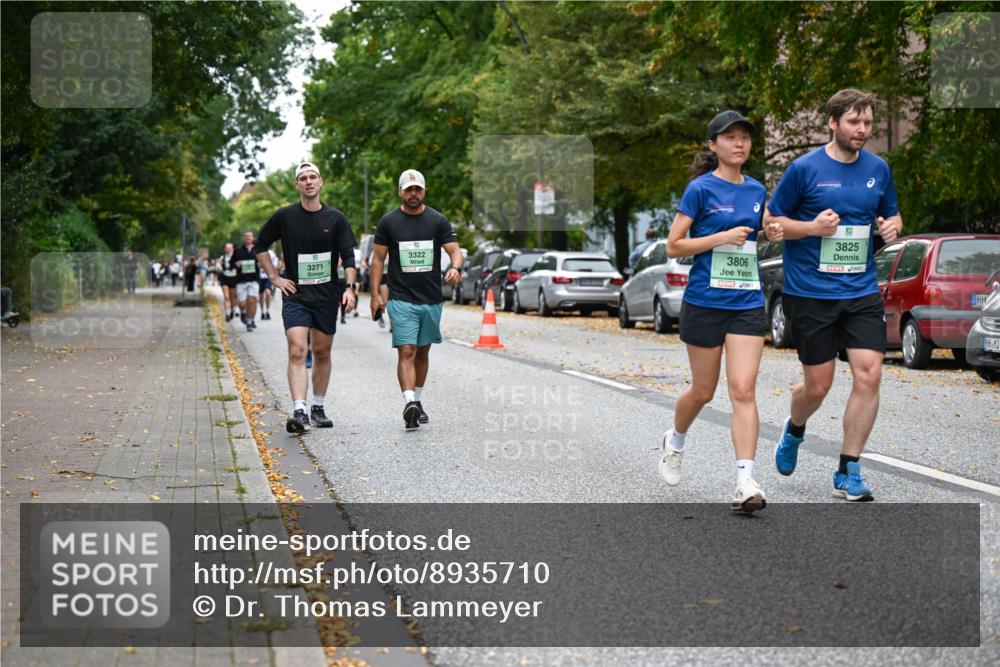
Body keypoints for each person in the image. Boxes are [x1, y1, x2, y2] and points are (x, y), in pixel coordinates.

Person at [763, 88, 902, 502]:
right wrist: (811, 228)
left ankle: (848, 469)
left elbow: (892, 214)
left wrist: (892, 227)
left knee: (869, 373)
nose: (862, 129)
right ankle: (794, 429)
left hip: (860, 290)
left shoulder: (878, 168)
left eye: (867, 122)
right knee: (818, 386)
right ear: (833, 122)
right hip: (810, 292)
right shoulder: (804, 170)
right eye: (854, 122)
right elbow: (771, 224)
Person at [660, 110, 778, 512]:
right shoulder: (700, 189)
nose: (739, 143)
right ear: (713, 145)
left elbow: (755, 235)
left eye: (744, 137)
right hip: (705, 302)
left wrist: (770, 232)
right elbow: (674, 245)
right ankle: (675, 439)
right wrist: (719, 237)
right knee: (703, 391)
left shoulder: (757, 189)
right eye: (730, 137)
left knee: (743, 389)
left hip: (746, 301)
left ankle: (745, 481)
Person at [255, 162, 357, 433]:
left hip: (326, 294)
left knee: (322, 352)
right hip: (296, 294)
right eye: (303, 178)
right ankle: (299, 411)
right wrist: (275, 278)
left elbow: (348, 256)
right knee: (297, 350)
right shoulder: (285, 216)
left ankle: (318, 407)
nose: (308, 182)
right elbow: (260, 245)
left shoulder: (336, 218)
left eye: (313, 177)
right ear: (297, 185)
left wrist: (349, 288)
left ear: (321, 182)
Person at [369, 169, 463, 430]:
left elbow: (455, 251)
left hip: (431, 298)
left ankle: (417, 401)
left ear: (424, 191)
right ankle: (409, 401)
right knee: (407, 349)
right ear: (400, 191)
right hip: (400, 298)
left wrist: (455, 267)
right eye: (408, 189)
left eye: (417, 189)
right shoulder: (388, 222)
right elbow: (378, 260)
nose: (413, 193)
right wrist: (375, 294)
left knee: (422, 351)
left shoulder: (438, 221)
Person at [233, 231, 261, 331]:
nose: (248, 237)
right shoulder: (238, 250)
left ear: (253, 238)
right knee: (242, 304)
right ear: (244, 238)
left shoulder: (257, 249)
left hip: (254, 279)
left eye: (250, 236)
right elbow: (232, 263)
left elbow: (263, 262)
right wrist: (236, 264)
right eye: (246, 236)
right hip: (241, 280)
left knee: (252, 300)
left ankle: (249, 321)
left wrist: (261, 264)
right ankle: (243, 312)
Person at [258, 248, 280, 320]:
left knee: (268, 293)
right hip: (259, 277)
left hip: (268, 277)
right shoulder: (257, 252)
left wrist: (266, 266)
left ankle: (267, 311)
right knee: (260, 295)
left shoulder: (272, 254)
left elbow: (276, 266)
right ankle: (262, 312)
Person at [219, 243, 239, 321]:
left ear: (233, 249)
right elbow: (218, 266)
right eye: (226, 248)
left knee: (233, 297)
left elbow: (239, 266)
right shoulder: (222, 258)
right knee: (226, 296)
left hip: (234, 278)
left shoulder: (236, 257)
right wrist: (219, 267)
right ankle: (227, 313)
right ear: (224, 249)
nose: (228, 249)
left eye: (230, 248)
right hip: (224, 278)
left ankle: (233, 309)